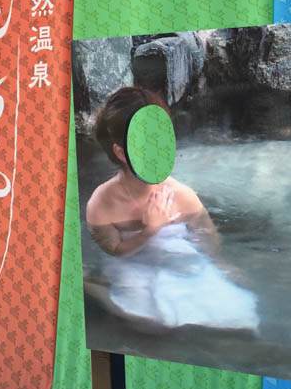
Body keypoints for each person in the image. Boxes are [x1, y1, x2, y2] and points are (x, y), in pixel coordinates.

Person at [84, 86, 258, 332]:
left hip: (177, 256)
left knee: (239, 311)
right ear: (121, 152)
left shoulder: (181, 195)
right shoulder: (102, 202)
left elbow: (207, 237)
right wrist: (149, 231)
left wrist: (219, 263)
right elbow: (113, 250)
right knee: (146, 322)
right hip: (132, 261)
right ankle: (94, 285)